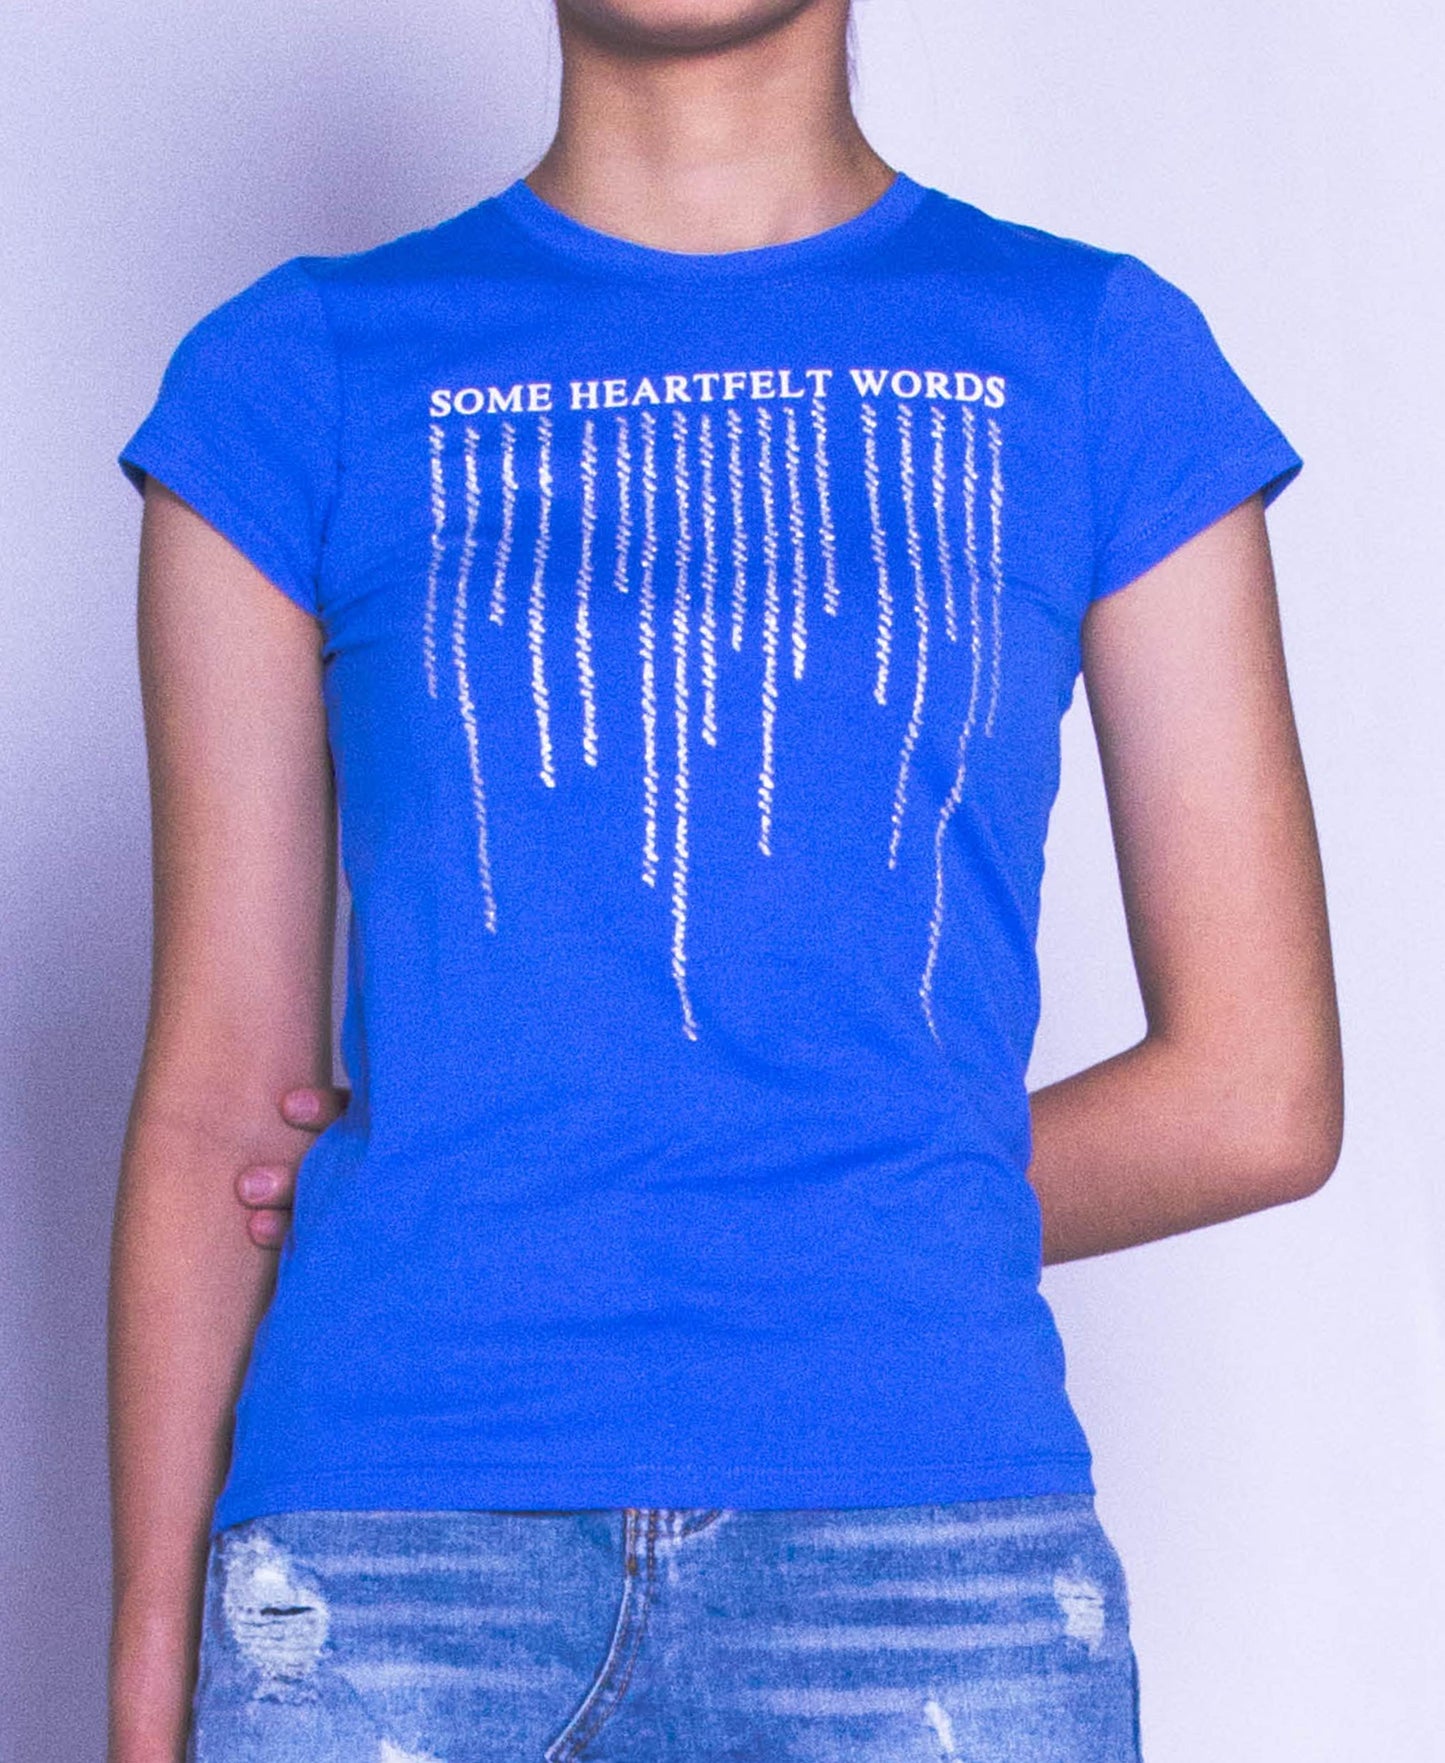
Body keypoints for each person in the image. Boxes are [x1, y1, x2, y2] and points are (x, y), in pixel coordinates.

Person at [107, 1, 1343, 1758]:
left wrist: (731, 1198)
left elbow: (1255, 1095)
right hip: (387, 1567)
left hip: (926, 1557)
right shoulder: (296, 371)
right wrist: (148, 1681)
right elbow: (218, 1099)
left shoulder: (1090, 355)